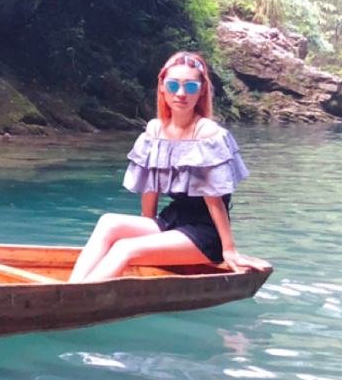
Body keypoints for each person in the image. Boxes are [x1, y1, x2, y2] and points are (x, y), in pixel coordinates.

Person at [67, 51, 271, 283]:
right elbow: (150, 188)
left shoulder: (207, 133)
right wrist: (146, 227)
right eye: (173, 85)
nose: (181, 93)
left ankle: (76, 297)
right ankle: (70, 288)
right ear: (162, 87)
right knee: (108, 222)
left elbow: (213, 199)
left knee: (125, 248)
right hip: (170, 221)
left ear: (202, 90)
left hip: (204, 232)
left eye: (190, 87)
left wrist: (229, 250)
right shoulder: (155, 130)